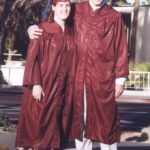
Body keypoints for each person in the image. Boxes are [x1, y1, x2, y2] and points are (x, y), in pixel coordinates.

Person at [27, 0, 129, 150]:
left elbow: (120, 47)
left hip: (102, 77)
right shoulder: (76, 9)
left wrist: (120, 79)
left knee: (106, 121)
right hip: (77, 75)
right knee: (80, 119)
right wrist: (32, 28)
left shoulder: (114, 16)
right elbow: (53, 20)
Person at [15, 0, 77, 149]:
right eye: (61, 5)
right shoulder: (42, 29)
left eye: (67, 6)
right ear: (54, 8)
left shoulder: (71, 32)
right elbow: (33, 58)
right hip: (44, 84)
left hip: (63, 88)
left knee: (55, 125)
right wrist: (36, 83)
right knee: (37, 125)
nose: (65, 9)